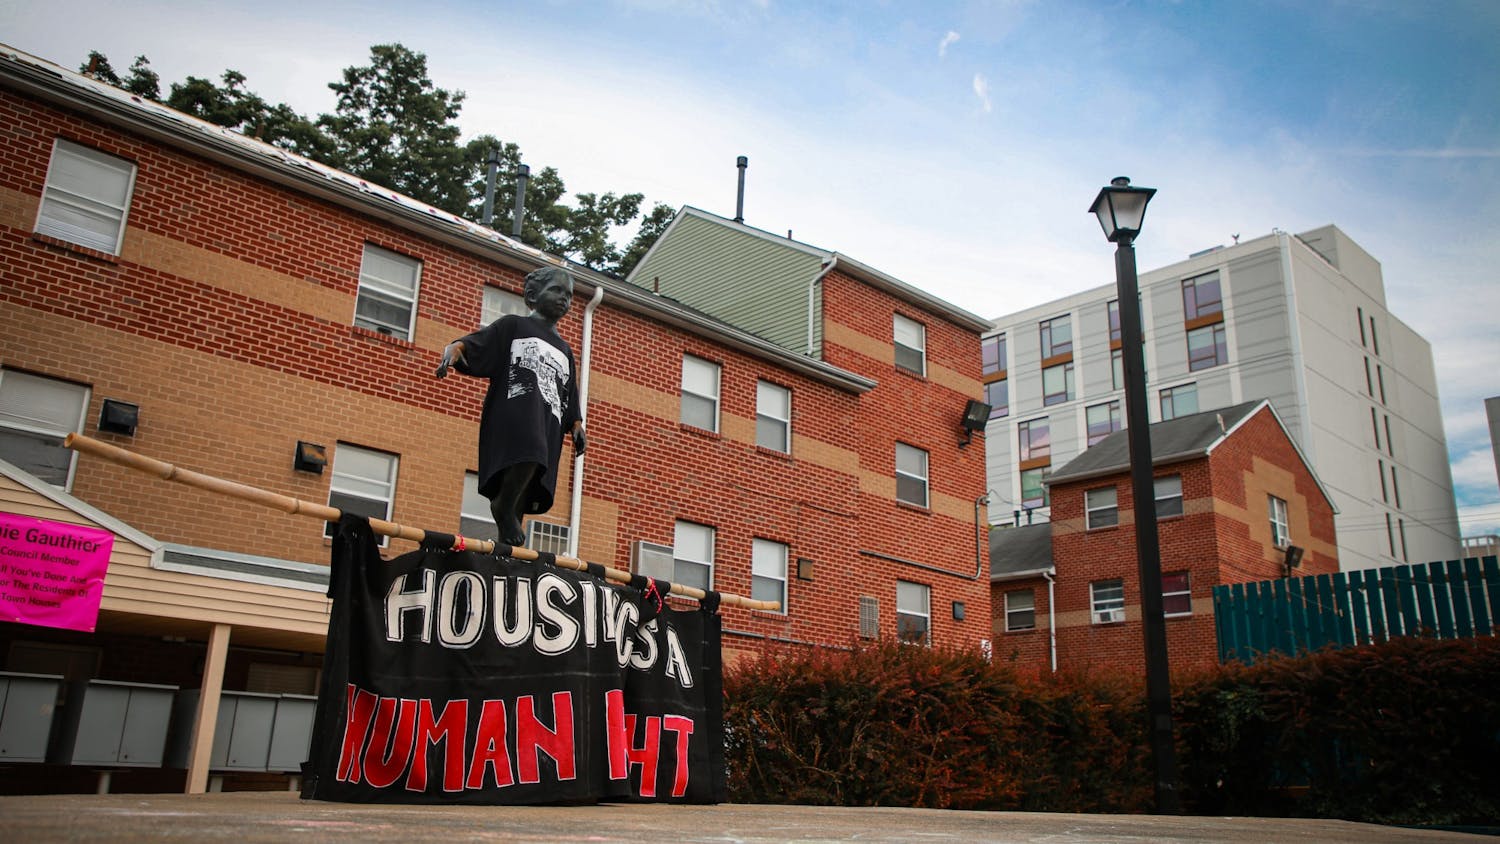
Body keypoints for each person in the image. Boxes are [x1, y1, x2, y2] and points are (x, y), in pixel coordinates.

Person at [436, 266, 586, 548]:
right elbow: (477, 343)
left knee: (526, 487)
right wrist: (454, 352)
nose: (564, 299)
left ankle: (507, 549)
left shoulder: (565, 350)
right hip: (516, 414)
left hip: (548, 421)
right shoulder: (514, 326)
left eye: (569, 295)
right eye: (556, 290)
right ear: (532, 294)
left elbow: (570, 392)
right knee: (531, 450)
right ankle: (502, 509)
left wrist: (576, 424)